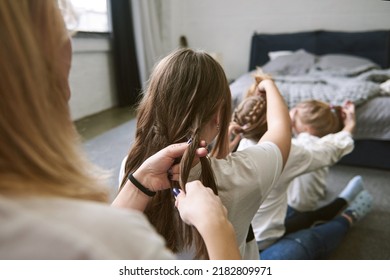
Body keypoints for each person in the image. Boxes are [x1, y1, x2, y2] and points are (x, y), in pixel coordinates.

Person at [0, 0, 240, 260]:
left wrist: (137, 185)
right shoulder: (108, 240)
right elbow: (279, 145)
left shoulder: (126, 173)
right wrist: (217, 228)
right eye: (63, 82)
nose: (68, 93)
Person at [118, 48, 292, 259]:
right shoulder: (246, 174)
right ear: (218, 116)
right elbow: (280, 128)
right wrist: (268, 85)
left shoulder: (134, 167)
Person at [232, 92, 373, 259]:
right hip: (256, 241)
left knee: (301, 221)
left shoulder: (240, 145)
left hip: (252, 236)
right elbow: (332, 150)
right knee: (305, 239)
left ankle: (337, 206)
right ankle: (346, 215)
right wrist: (349, 126)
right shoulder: (288, 152)